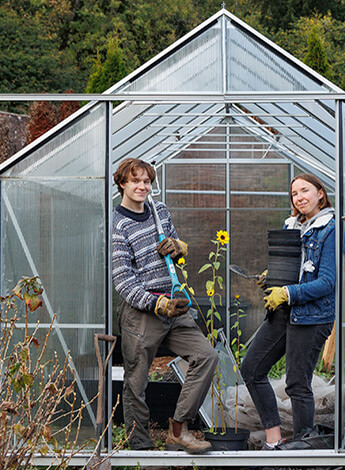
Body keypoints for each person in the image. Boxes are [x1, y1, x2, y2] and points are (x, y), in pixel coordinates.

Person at [111, 157, 218, 454]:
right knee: (137, 383)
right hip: (142, 313)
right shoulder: (118, 225)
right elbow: (123, 283)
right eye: (135, 181)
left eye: (146, 181)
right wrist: (157, 305)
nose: (142, 186)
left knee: (206, 355)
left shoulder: (159, 211)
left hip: (173, 303)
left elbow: (173, 255)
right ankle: (141, 447)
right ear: (122, 183)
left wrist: (179, 248)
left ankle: (178, 429)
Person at [240, 173, 336, 450]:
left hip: (312, 317)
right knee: (252, 369)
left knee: (297, 383)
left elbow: (327, 282)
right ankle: (274, 438)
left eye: (305, 191)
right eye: (294, 193)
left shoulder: (329, 228)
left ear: (320, 193)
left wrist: (288, 292)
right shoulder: (292, 225)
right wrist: (273, 278)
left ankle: (303, 448)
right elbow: (294, 266)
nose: (299, 197)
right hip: (284, 312)